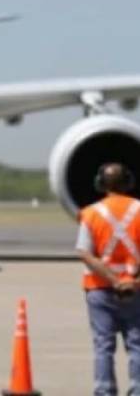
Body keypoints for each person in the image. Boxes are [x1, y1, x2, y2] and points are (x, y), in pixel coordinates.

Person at [76, 162, 140, 396]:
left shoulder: (91, 213)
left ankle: (104, 391)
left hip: (100, 290)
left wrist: (113, 280)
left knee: (103, 347)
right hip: (136, 290)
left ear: (101, 184)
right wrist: (130, 280)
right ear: (129, 182)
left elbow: (84, 252)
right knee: (137, 346)